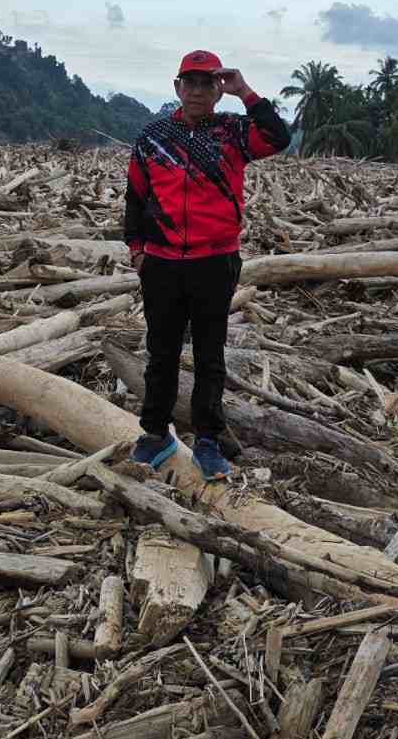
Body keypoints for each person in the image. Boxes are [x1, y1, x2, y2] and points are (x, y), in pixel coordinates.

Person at [124, 50, 292, 478]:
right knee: (161, 353)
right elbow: (136, 197)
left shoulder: (234, 132)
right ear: (177, 87)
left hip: (214, 262)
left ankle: (207, 441)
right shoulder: (153, 136)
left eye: (207, 83)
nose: (197, 90)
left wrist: (245, 91)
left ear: (218, 89)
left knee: (209, 355)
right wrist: (137, 249)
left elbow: (278, 138)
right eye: (190, 82)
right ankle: (155, 434)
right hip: (161, 263)